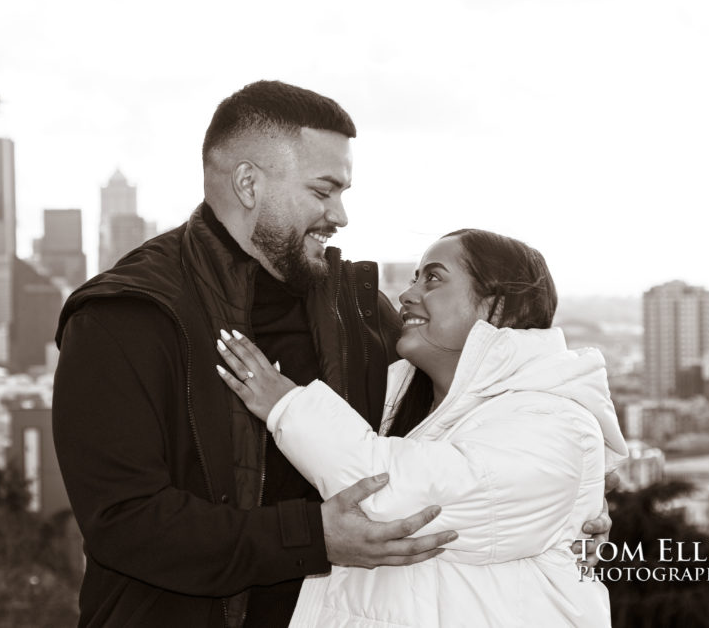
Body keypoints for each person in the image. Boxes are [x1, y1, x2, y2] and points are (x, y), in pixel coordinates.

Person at [52, 81, 612, 628]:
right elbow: (126, 524)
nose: (340, 216)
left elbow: (458, 442)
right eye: (323, 191)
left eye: (342, 193)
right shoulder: (126, 316)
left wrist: (573, 508)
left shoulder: (361, 311)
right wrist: (311, 538)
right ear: (249, 183)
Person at [215, 229, 629, 627]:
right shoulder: (392, 400)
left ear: (498, 307)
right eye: (415, 278)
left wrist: (285, 405)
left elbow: (393, 498)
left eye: (433, 278)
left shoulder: (556, 425)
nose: (407, 293)